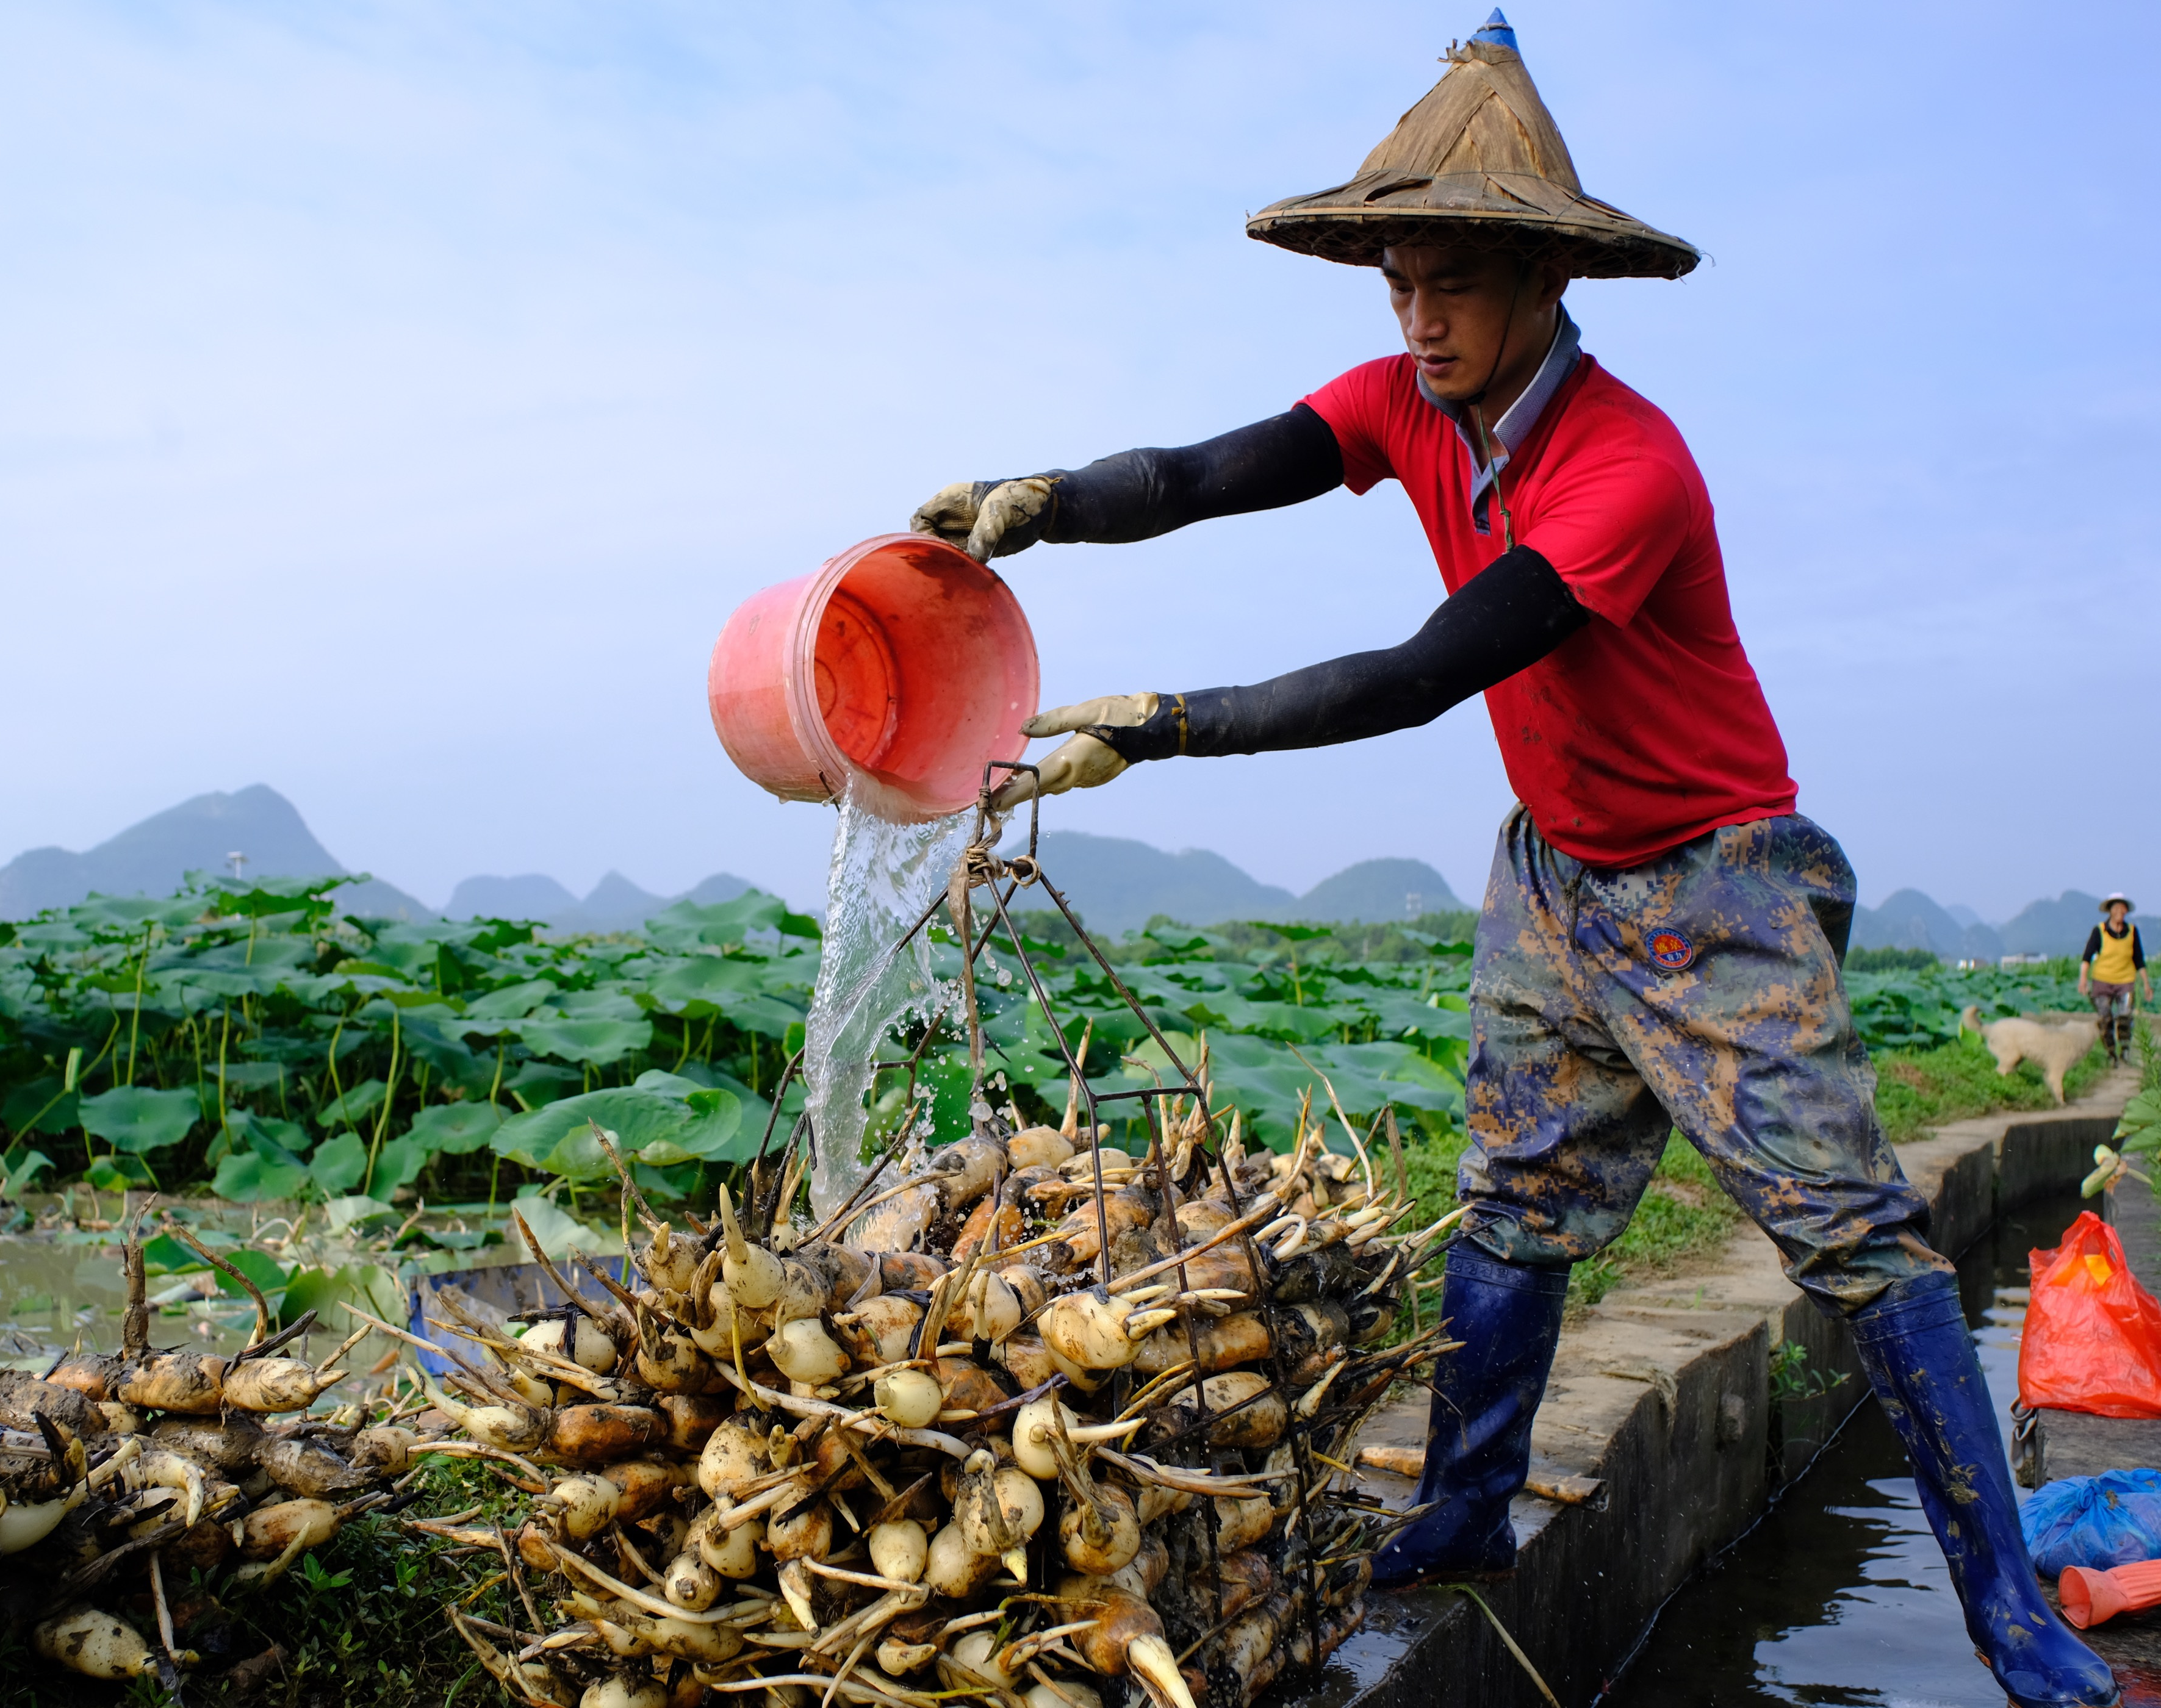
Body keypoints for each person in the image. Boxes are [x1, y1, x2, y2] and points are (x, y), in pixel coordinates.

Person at [907, 15, 2114, 1706]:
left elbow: (1421, 673)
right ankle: (1469, 1510)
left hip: (1716, 885)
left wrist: (1168, 723)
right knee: (1515, 1201)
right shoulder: (1411, 400)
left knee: (1860, 1245)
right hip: (1556, 874)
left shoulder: (1625, 467)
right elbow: (1203, 471)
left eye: (1453, 280)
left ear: (1546, 280)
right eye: (1398, 279)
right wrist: (1043, 498)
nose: (1419, 317)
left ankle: (2012, 1624)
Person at [2079, 893, 2149, 1064]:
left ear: (2126, 911)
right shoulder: (2099, 931)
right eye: (2116, 908)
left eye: (2122, 908)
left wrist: (2146, 984)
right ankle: (2111, 1054)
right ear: (2110, 911)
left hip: (2125, 981)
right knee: (2105, 1019)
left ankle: (2125, 1051)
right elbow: (2087, 957)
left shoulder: (2132, 932)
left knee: (2125, 1017)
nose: (2120, 911)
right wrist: (2083, 980)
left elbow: (2139, 959)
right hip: (2102, 981)